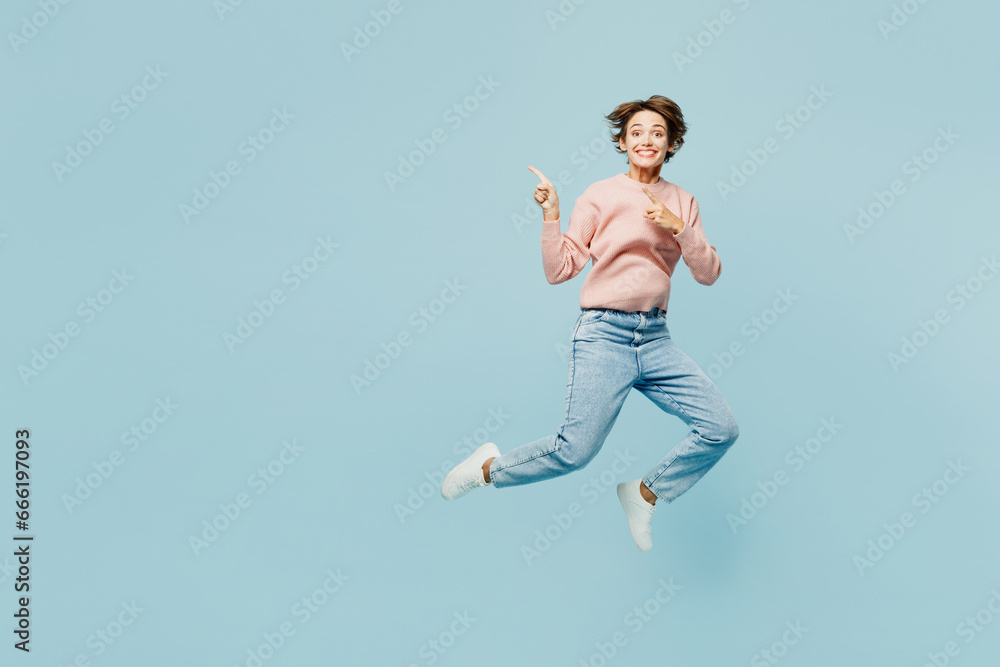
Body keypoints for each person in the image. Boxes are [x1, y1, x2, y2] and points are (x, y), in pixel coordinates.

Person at [440, 95, 739, 552]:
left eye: (657, 133)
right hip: (604, 335)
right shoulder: (600, 195)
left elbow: (709, 273)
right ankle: (486, 470)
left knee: (721, 428)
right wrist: (551, 216)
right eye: (636, 132)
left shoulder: (683, 200)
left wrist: (679, 226)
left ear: (671, 144)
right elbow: (560, 269)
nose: (646, 140)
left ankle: (645, 493)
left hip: (655, 338)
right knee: (574, 451)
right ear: (622, 142)